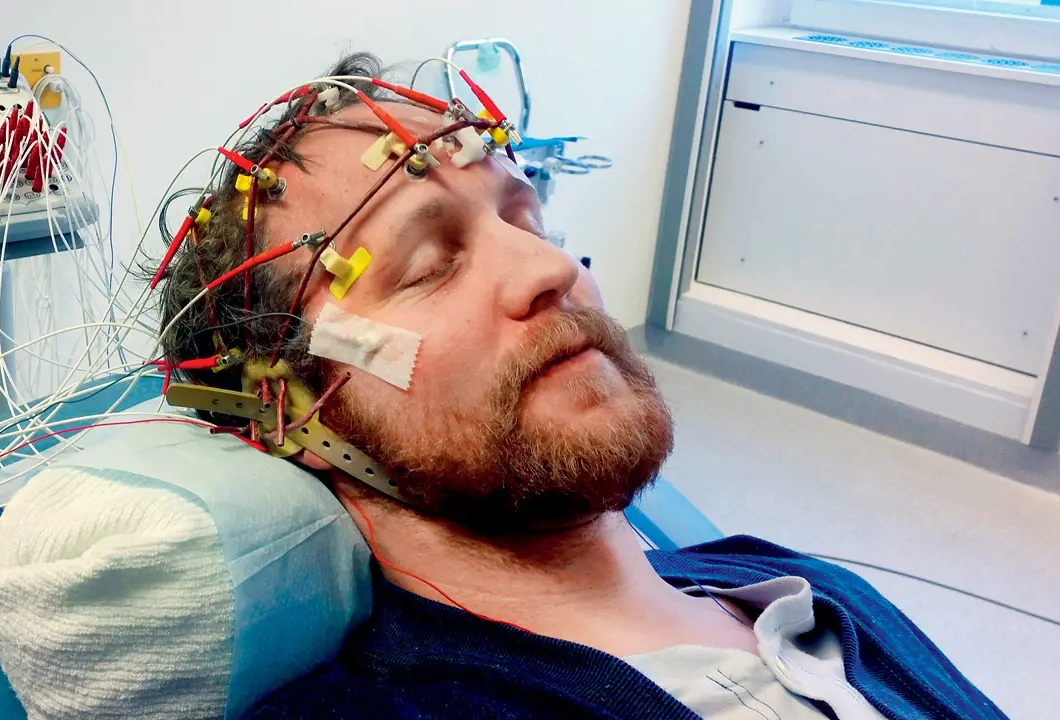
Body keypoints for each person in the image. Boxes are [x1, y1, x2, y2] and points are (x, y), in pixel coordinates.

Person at [158, 54, 1006, 720]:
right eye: (429, 265)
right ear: (287, 406)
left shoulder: (803, 588)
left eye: (525, 219)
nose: (551, 268)